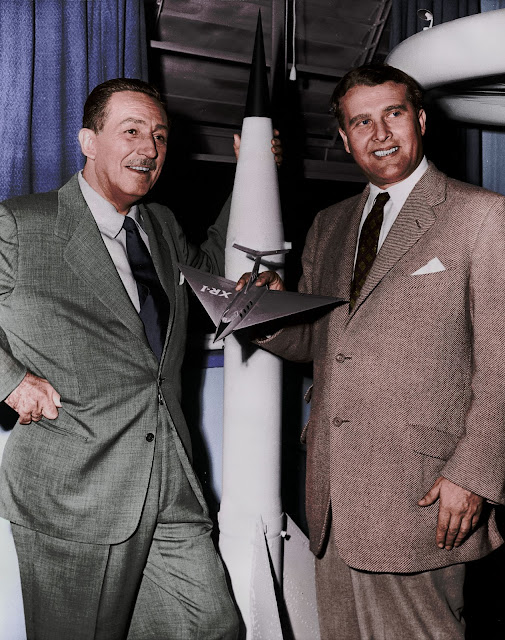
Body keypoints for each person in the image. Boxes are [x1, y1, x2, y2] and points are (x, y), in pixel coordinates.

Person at [0, 77, 279, 640]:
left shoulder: (161, 225)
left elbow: (211, 273)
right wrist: (9, 379)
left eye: (159, 135)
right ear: (88, 141)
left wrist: (252, 174)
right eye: (131, 131)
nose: (149, 148)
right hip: (77, 488)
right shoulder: (21, 224)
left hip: (170, 476)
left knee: (212, 626)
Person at [241, 64, 505, 639]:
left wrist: (475, 474)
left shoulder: (482, 215)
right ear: (344, 138)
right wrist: (261, 314)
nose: (380, 133)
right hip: (333, 495)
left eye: (393, 114)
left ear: (422, 120)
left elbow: (501, 362)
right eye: (361, 122)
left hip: (423, 493)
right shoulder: (329, 225)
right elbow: (320, 341)